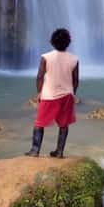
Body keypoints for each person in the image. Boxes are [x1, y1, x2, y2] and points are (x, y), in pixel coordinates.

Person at [26, 27, 79, 157]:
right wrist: (73, 93)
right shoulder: (74, 59)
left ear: (52, 42)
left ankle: (35, 150)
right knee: (63, 124)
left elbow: (39, 76)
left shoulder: (46, 57)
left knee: (39, 123)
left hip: (49, 95)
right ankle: (59, 152)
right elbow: (76, 79)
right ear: (68, 43)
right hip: (67, 95)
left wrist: (39, 92)